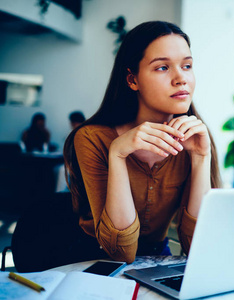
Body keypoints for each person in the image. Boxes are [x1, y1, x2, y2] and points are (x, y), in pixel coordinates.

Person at [64, 21, 221, 264]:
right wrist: (117, 154)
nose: (181, 79)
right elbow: (120, 253)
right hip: (93, 261)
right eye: (162, 68)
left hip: (157, 260)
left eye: (187, 65)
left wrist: (201, 159)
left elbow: (198, 249)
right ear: (132, 80)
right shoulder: (92, 138)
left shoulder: (195, 138)